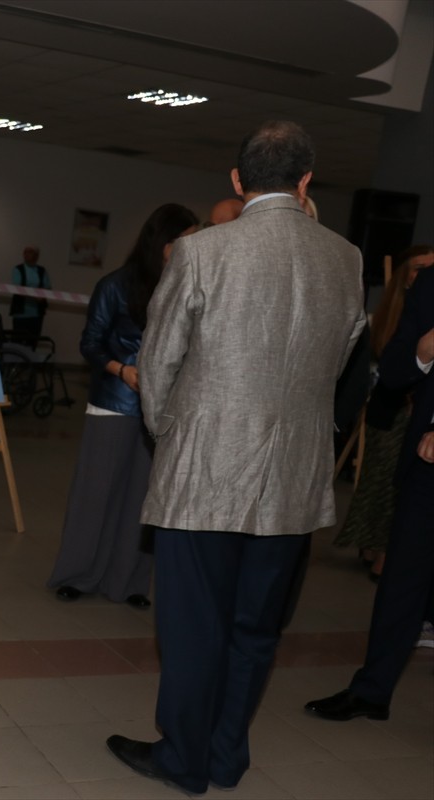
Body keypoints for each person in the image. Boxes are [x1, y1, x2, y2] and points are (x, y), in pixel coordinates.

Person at [105, 121, 365, 795]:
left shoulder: (202, 253)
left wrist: (171, 436)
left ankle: (184, 760)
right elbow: (338, 366)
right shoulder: (348, 259)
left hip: (206, 472)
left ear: (236, 179)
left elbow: (157, 365)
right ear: (307, 180)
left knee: (194, 626)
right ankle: (225, 756)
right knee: (255, 629)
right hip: (295, 478)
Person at [48, 204, 198, 609]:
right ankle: (78, 574)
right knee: (95, 495)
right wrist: (122, 370)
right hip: (114, 403)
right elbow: (90, 343)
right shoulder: (115, 284)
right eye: (184, 241)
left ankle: (129, 581)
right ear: (163, 243)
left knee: (142, 500)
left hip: (162, 411)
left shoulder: (187, 288)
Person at [305, 264, 434, 721]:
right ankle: (372, 691)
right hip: (426, 463)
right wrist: (424, 351)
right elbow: (396, 369)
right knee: (402, 581)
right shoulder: (432, 281)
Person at [332, 246, 433, 579]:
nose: (422, 273)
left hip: (413, 413)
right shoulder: (396, 308)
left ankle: (384, 553)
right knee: (380, 485)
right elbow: (390, 361)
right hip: (391, 411)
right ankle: (374, 547)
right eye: (417, 267)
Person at [10, 246, 51, 341]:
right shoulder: (18, 269)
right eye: (26, 253)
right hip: (20, 313)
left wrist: (42, 296)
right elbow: (17, 288)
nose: (28, 255)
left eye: (31, 252)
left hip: (37, 314)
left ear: (37, 256)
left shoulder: (42, 271)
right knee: (18, 341)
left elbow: (47, 287)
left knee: (33, 340)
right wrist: (34, 296)